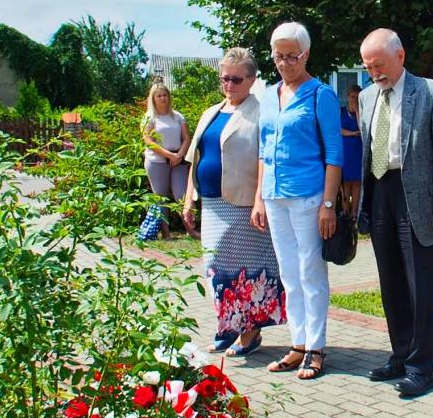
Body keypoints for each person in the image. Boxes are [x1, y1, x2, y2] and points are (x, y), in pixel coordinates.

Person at [356, 28, 433, 398]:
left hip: (416, 196)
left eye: (379, 65)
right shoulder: (366, 97)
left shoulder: (430, 92)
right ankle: (400, 354)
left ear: (401, 56)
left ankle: (422, 366)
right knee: (391, 279)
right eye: (367, 67)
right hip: (380, 190)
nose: (374, 73)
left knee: (419, 284)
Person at [251, 22, 343, 380]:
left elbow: (334, 154)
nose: (285, 63)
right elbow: (263, 151)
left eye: (292, 56)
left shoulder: (321, 95)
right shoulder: (267, 96)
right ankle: (298, 343)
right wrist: (259, 198)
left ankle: (316, 347)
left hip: (308, 195)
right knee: (289, 272)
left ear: (306, 55)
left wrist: (328, 204)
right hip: (274, 196)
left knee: (310, 271)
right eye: (279, 56)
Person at [182, 48, 285, 356]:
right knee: (216, 269)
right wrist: (189, 199)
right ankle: (228, 326)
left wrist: (260, 200)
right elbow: (196, 158)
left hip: (243, 204)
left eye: (236, 79)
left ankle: (249, 334)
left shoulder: (261, 112)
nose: (228, 85)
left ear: (252, 80)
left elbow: (266, 159)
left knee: (246, 272)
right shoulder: (211, 112)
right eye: (224, 78)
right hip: (212, 203)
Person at [142, 82, 191, 238]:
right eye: (159, 96)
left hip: (178, 161)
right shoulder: (149, 117)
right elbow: (148, 141)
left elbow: (186, 138)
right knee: (160, 198)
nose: (163, 98)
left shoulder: (177, 116)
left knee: (181, 195)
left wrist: (179, 155)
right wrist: (169, 155)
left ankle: (190, 229)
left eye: (165, 95)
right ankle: (166, 233)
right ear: (153, 99)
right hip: (157, 161)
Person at [340, 85, 364, 216]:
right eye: (352, 97)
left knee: (357, 182)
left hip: (358, 150)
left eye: (357, 97)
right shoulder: (341, 111)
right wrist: (353, 133)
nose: (354, 99)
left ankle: (354, 213)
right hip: (345, 150)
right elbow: (338, 130)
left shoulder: (362, 112)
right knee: (346, 181)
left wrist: (357, 111)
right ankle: (345, 212)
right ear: (348, 97)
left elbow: (363, 129)